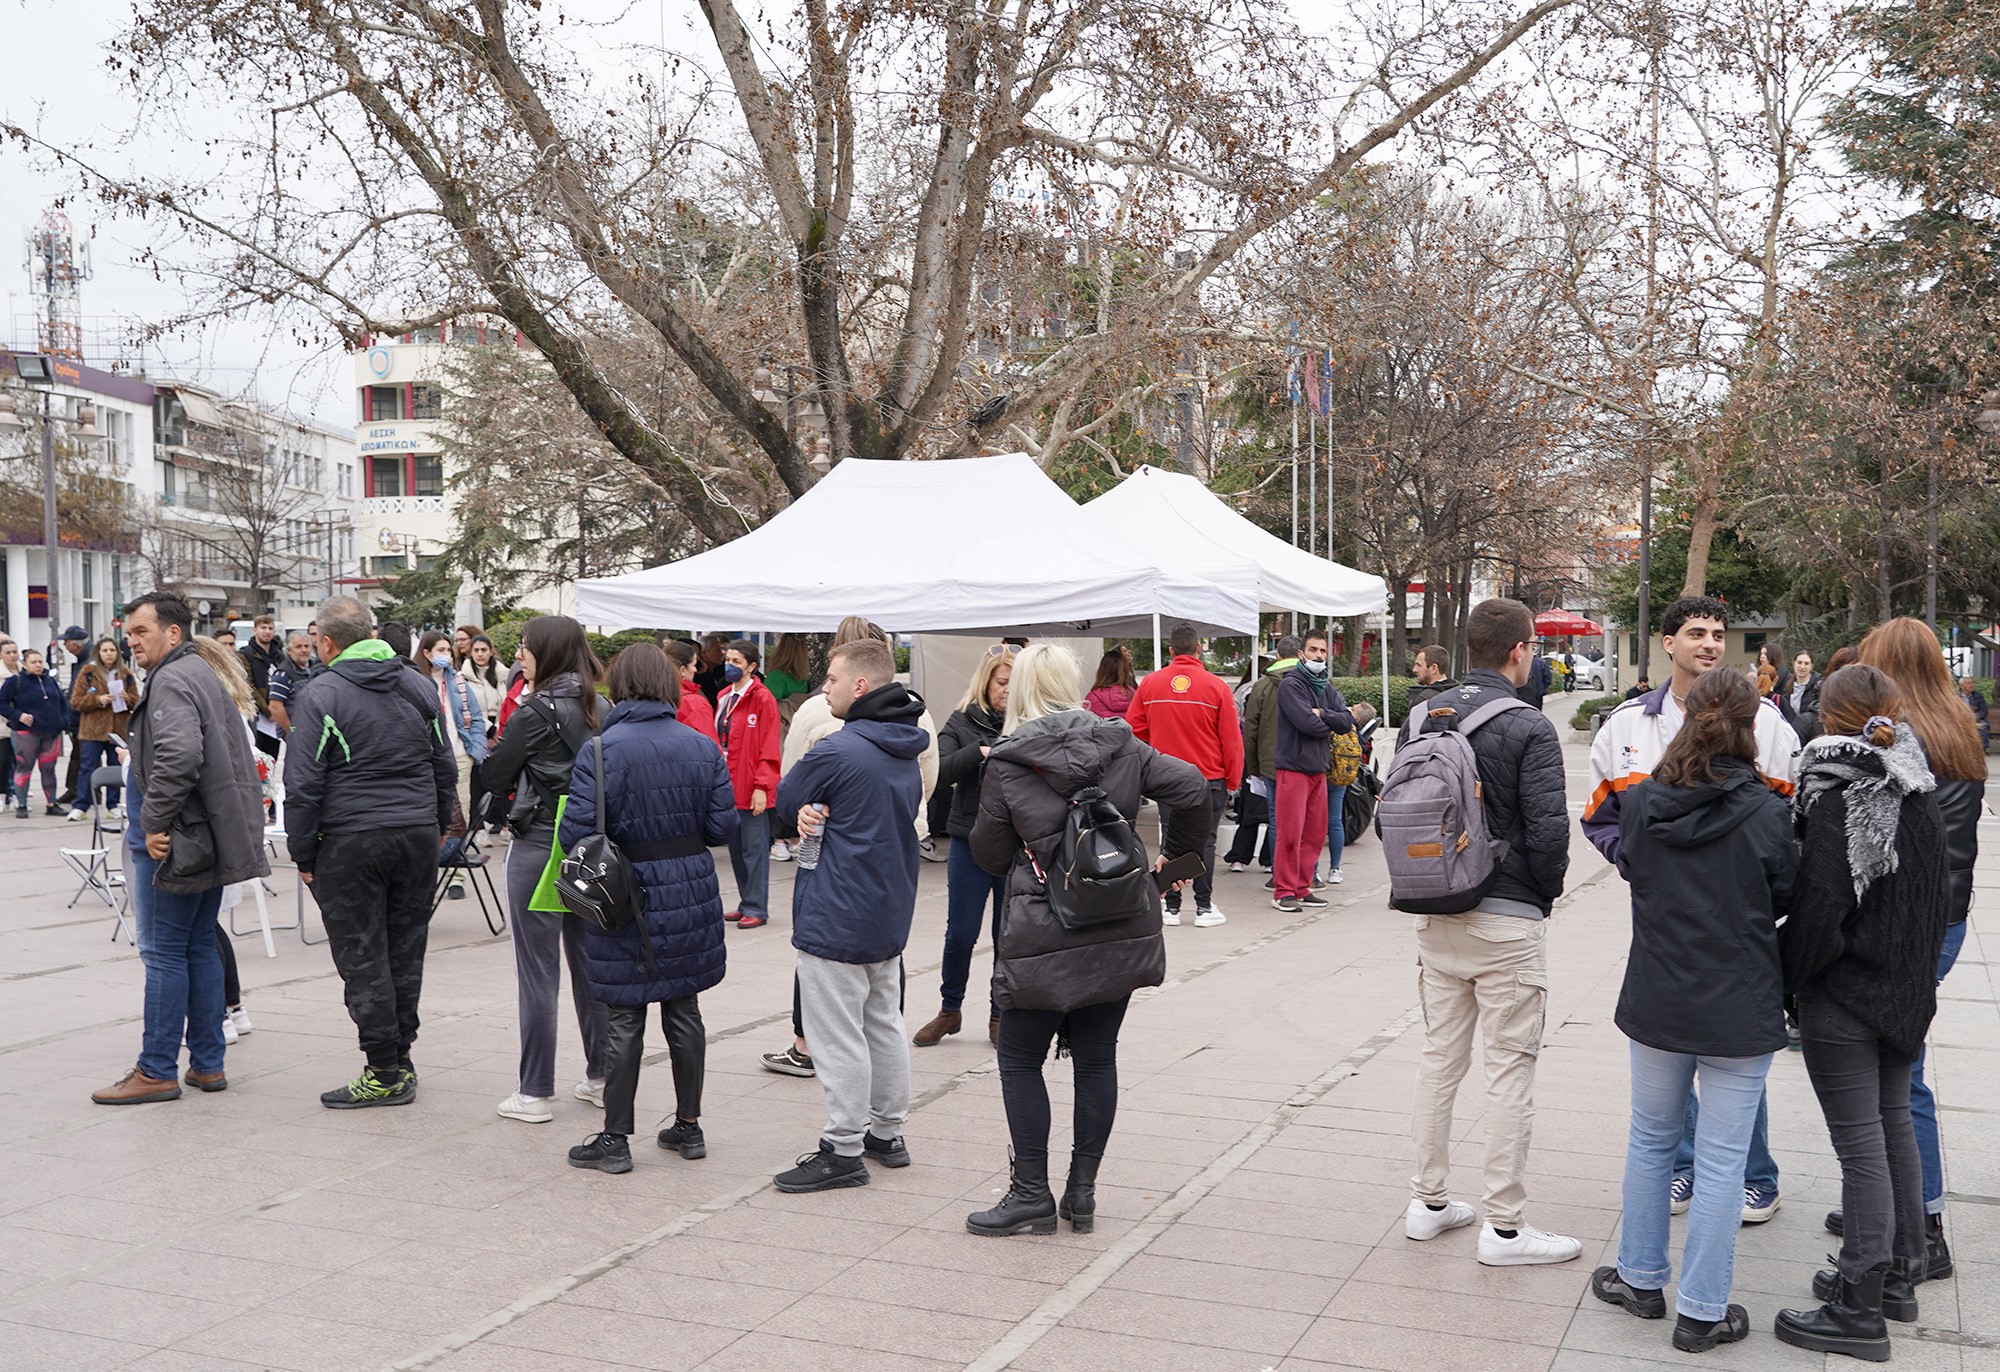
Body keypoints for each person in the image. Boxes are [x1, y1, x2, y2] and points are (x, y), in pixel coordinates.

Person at [966, 643, 1209, 1234]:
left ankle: (1030, 1192)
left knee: (1020, 1057)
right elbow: (1194, 787)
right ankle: (1082, 1193)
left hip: (1043, 927)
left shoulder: (1007, 761)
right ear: (1071, 684)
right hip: (1119, 918)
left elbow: (990, 854)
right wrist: (1177, 866)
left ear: (1019, 689)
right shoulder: (1121, 743)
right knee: (1097, 1056)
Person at [1590, 668, 1797, 1353]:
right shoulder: (1769, 811)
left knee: (1651, 1140)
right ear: (1750, 727)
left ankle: (1641, 1278)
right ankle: (1703, 1311)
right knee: (1723, 1159)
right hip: (1740, 1000)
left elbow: (1634, 869)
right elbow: (1786, 893)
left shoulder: (1646, 803)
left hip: (1659, 993)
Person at [1775, 665, 1950, 1359]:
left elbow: (1820, 911)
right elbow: (1938, 896)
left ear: (1828, 717)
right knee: (1890, 1129)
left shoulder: (1836, 794)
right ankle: (1900, 1275)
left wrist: (1790, 979)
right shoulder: (1916, 783)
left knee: (1861, 1147)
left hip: (1848, 995)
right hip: (1905, 991)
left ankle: (1859, 1303)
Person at [1399, 598, 1579, 1267]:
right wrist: (1542, 895)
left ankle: (1430, 1202)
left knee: (1439, 1060)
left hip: (1434, 910)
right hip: (1507, 918)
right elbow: (1550, 830)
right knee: (1508, 1069)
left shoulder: (1421, 714)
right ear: (1520, 649)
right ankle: (1505, 1229)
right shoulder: (1527, 725)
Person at [1828, 620, 1988, 1281]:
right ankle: (1897, 1207)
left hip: (1903, 924)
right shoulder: (1958, 727)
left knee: (1900, 1074)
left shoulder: (1897, 742)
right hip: (1946, 919)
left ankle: (1921, 1224)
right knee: (1900, 1065)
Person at [561, 645, 738, 1174]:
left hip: (623, 893)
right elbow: (721, 829)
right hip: (688, 888)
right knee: (684, 1008)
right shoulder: (702, 747)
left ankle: (615, 1139)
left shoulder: (599, 750)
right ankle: (688, 1127)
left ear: (618, 684)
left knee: (624, 1014)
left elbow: (576, 834)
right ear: (667, 684)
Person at [92, 592, 269, 1104]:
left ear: (173, 633)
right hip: (205, 835)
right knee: (196, 948)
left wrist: (153, 821)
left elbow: (181, 755)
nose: (131, 641)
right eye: (127, 634)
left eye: (141, 632)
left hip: (178, 837)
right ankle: (208, 1064)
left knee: (164, 953)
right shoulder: (200, 674)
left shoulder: (172, 678)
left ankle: (157, 1069)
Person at [769, 636, 929, 1193]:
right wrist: (813, 808)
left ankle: (841, 1149)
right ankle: (887, 1133)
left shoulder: (838, 747)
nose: (824, 688)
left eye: (831, 679)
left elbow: (784, 804)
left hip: (836, 908)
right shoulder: (905, 744)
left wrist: (806, 808)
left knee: (836, 1034)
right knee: (883, 1023)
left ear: (860, 685)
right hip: (887, 907)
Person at [284, 596, 456, 1108]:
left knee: (363, 957)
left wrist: (303, 855)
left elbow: (304, 785)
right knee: (405, 949)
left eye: (317, 642)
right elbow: (444, 763)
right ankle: (399, 1058)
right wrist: (441, 823)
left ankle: (383, 1069)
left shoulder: (321, 693)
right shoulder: (418, 684)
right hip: (416, 834)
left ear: (329, 643)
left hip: (351, 840)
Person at [482, 614, 611, 1120]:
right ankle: (601, 1076)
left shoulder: (534, 710)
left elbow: (495, 775)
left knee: (538, 972)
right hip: (593, 849)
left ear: (548, 652)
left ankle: (535, 1092)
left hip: (540, 844)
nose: (519, 655)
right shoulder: (604, 706)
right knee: (590, 967)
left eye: (526, 647)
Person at [913, 647, 1013, 1048]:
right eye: (1002, 683)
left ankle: (998, 1013)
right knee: (960, 934)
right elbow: (939, 769)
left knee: (1008, 935)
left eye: (1014, 684)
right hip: (969, 841)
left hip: (1014, 844)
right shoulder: (962, 719)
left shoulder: (1030, 720)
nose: (1008, 690)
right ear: (985, 681)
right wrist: (980, 752)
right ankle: (949, 1010)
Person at [1126, 622, 1244, 926]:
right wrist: (1233, 779)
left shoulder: (1150, 685)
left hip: (1168, 780)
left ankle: (1171, 907)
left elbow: (1134, 734)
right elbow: (1231, 739)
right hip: (1209, 777)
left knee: (1171, 840)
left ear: (1170, 650)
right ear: (1199, 649)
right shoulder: (1216, 686)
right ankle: (1204, 907)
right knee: (1206, 841)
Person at [187, 636, 265, 1047]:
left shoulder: (209, 706)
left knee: (199, 932)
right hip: (229, 827)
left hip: (207, 829)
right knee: (209, 926)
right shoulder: (230, 705)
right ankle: (233, 1008)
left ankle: (220, 1014)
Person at [1271, 629, 1351, 911]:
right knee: (1290, 833)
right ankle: (1284, 891)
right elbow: (1307, 724)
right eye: (1314, 650)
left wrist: (1323, 714)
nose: (1319, 655)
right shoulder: (1291, 685)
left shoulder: (1325, 686)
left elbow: (1346, 721)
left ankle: (1303, 886)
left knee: (1315, 834)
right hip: (1293, 769)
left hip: (1318, 769)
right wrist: (1327, 718)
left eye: (1323, 650)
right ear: (1301, 654)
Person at [715, 638, 783, 930]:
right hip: (727, 782)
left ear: (752, 667)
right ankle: (746, 902)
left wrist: (763, 786)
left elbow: (769, 747)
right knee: (736, 848)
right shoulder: (723, 697)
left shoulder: (762, 698)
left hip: (751, 783)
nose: (730, 666)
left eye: (736, 662)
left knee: (754, 850)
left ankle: (757, 906)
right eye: (727, 660)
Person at [1226, 636, 1300, 874]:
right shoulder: (1313, 683)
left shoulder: (1256, 687)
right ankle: (1276, 864)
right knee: (1288, 819)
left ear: (1278, 657)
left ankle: (1244, 857)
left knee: (1258, 812)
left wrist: (1251, 764)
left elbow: (1249, 728)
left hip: (1264, 760)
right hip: (1300, 761)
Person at [418, 628, 488, 823]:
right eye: (441, 650)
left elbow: (475, 717)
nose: (446, 655)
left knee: (460, 814)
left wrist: (475, 751)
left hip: (459, 754)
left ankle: (457, 851)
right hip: (429, 758)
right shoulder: (416, 682)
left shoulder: (458, 681)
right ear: (426, 653)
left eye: (448, 650)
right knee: (434, 813)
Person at [67, 637, 137, 820]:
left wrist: (128, 698)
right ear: (98, 652)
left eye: (112, 650)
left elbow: (137, 701)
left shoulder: (126, 673)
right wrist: (99, 700)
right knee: (87, 767)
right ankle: (81, 805)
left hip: (117, 730)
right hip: (92, 730)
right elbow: (76, 701)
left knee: (116, 767)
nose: (109, 654)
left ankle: (113, 805)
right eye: (105, 650)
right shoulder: (88, 671)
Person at [2, 648, 69, 816]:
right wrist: (18, 716)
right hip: (26, 734)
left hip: (51, 733)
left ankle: (51, 804)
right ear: (24, 664)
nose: (38, 665)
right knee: (24, 769)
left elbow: (62, 702)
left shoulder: (50, 681)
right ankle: (22, 805)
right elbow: (1, 703)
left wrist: (63, 721)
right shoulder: (15, 681)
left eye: (40, 661)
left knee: (49, 769)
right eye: (33, 662)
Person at [239, 613, 287, 762]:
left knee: (272, 759)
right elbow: (248, 685)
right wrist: (268, 710)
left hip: (277, 717)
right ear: (255, 630)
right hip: (258, 717)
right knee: (258, 761)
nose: (267, 631)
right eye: (263, 627)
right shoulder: (246, 654)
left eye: (270, 628)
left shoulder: (279, 655)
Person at [661, 639, 722, 747]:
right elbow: (711, 747)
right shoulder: (694, 702)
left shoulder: (654, 694)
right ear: (683, 670)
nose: (695, 670)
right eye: (693, 665)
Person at [54, 624, 88, 807]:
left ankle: (80, 791)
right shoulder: (82, 659)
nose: (65, 646)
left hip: (84, 719)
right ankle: (78, 789)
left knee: (83, 756)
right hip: (78, 718)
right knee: (80, 755)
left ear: (76, 644)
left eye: (66, 642)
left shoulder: (88, 661)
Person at [266, 632, 322, 734]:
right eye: (298, 647)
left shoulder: (316, 669)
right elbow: (275, 707)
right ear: (289, 651)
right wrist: (292, 732)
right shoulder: (282, 675)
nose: (304, 650)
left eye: (306, 646)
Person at [1084, 646, 1136, 719]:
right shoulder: (1134, 694)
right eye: (1125, 651)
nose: (1129, 651)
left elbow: (1086, 723)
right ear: (1124, 671)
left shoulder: (1092, 697)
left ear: (1102, 671)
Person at [1784, 651, 1824, 742]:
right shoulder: (1787, 687)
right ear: (1794, 663)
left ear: (1811, 666)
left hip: (1810, 736)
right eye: (1799, 662)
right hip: (1791, 735)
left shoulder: (1819, 686)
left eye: (1806, 663)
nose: (1802, 667)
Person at [1407, 644, 1458, 712]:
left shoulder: (1423, 700)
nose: (1414, 669)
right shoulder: (1460, 696)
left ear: (1434, 668)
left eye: (1419, 665)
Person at [0, 636, 16, 806]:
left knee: (19, 762)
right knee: (4, 762)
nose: (12, 655)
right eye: (8, 652)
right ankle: (4, 793)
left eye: (14, 652)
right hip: (3, 725)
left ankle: (15, 794)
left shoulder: (24, 671)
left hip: (20, 726)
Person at [693, 633, 730, 706]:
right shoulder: (695, 676)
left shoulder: (723, 670)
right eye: (717, 650)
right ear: (704, 653)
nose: (722, 653)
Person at [1960, 676, 1989, 751]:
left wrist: (1975, 717)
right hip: (1960, 719)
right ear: (1961, 686)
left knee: (1983, 725)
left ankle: (1982, 748)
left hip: (1975, 719)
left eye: (1972, 683)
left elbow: (1984, 710)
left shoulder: (1978, 696)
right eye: (1968, 683)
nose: (1972, 685)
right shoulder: (1956, 696)